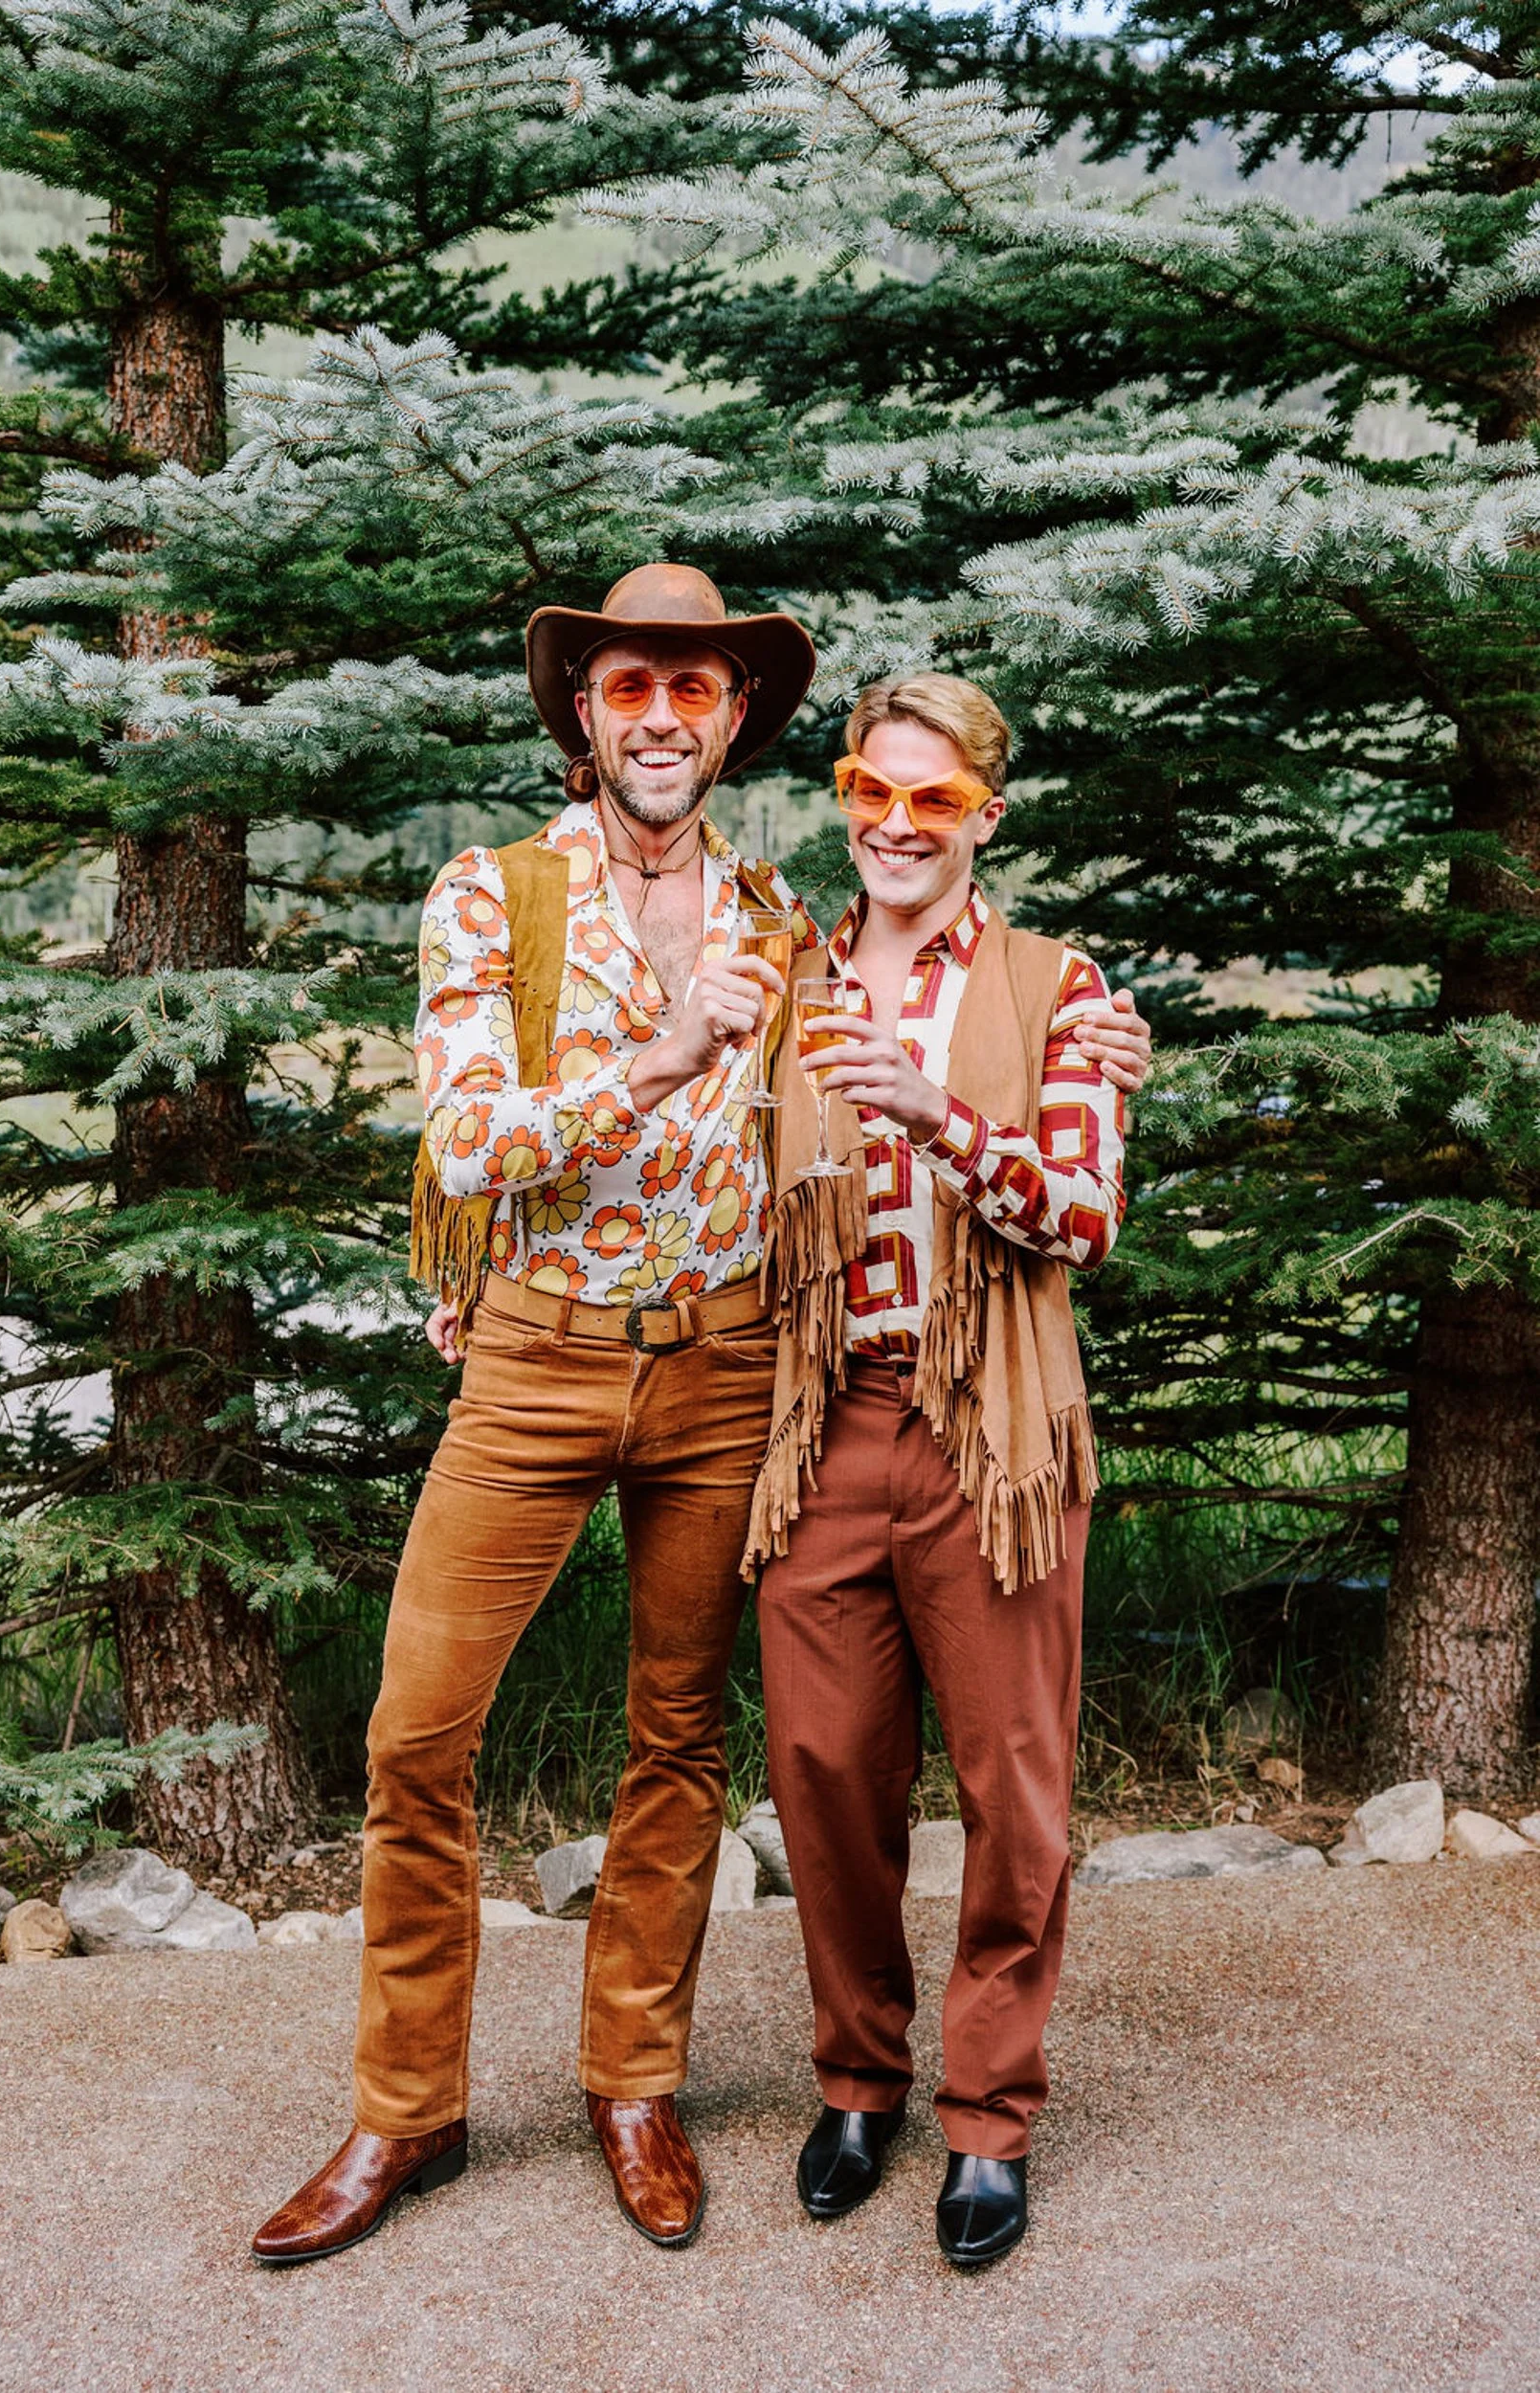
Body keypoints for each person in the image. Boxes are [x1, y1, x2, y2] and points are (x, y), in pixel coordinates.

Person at [251, 573, 1149, 2267]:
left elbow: (901, 1077)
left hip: (735, 1368)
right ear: (583, 709)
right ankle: (404, 2113)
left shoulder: (777, 918)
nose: (664, 716)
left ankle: (637, 2089)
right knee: (414, 1735)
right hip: (536, 1362)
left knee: (681, 1735)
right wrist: (652, 1068)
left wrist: (1083, 1022)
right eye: (632, 686)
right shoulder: (489, 894)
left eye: (699, 692)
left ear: (737, 724)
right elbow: (463, 1145)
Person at [747, 672, 1127, 2270]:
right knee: (826, 1775)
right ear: (847, 793)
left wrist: (944, 1119)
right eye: (871, 790)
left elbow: (1086, 1219)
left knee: (1011, 1789)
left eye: (935, 800)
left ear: (986, 813)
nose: (897, 826)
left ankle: (988, 2115)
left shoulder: (1061, 983)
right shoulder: (783, 974)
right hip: (824, 1422)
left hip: (994, 1436)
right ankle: (857, 2080)